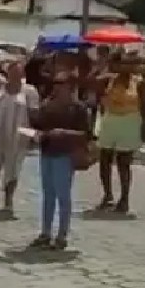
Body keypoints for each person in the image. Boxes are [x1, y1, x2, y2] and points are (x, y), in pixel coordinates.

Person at [30, 72, 90, 250]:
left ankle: (62, 234)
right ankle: (45, 232)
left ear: (70, 86)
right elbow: (38, 125)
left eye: (61, 83)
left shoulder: (78, 109)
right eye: (55, 83)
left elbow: (86, 134)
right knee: (47, 195)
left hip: (65, 154)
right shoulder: (47, 105)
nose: (57, 86)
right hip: (47, 152)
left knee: (63, 195)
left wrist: (64, 133)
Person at [0, 59, 40, 213]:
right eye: (12, 71)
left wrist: (33, 134)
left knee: (13, 168)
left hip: (17, 136)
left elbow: (34, 114)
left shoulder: (29, 91)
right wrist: (6, 60)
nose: (15, 74)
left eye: (18, 71)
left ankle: (8, 200)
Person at [95, 53, 145, 213]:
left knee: (124, 162)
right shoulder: (107, 80)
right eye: (122, 64)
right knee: (104, 159)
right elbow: (91, 86)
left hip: (130, 121)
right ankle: (107, 194)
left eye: (129, 64)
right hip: (110, 119)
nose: (126, 67)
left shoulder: (139, 83)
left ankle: (124, 198)